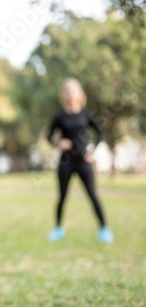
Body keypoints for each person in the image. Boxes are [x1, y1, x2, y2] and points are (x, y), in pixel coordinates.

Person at [45, 77, 114, 243]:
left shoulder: (86, 114)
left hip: (84, 161)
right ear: (64, 94)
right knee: (62, 197)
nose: (70, 93)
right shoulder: (59, 116)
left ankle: (104, 229)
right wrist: (58, 143)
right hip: (66, 162)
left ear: (79, 93)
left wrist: (92, 150)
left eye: (73, 90)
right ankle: (58, 229)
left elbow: (100, 132)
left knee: (92, 195)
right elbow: (48, 135)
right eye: (67, 91)